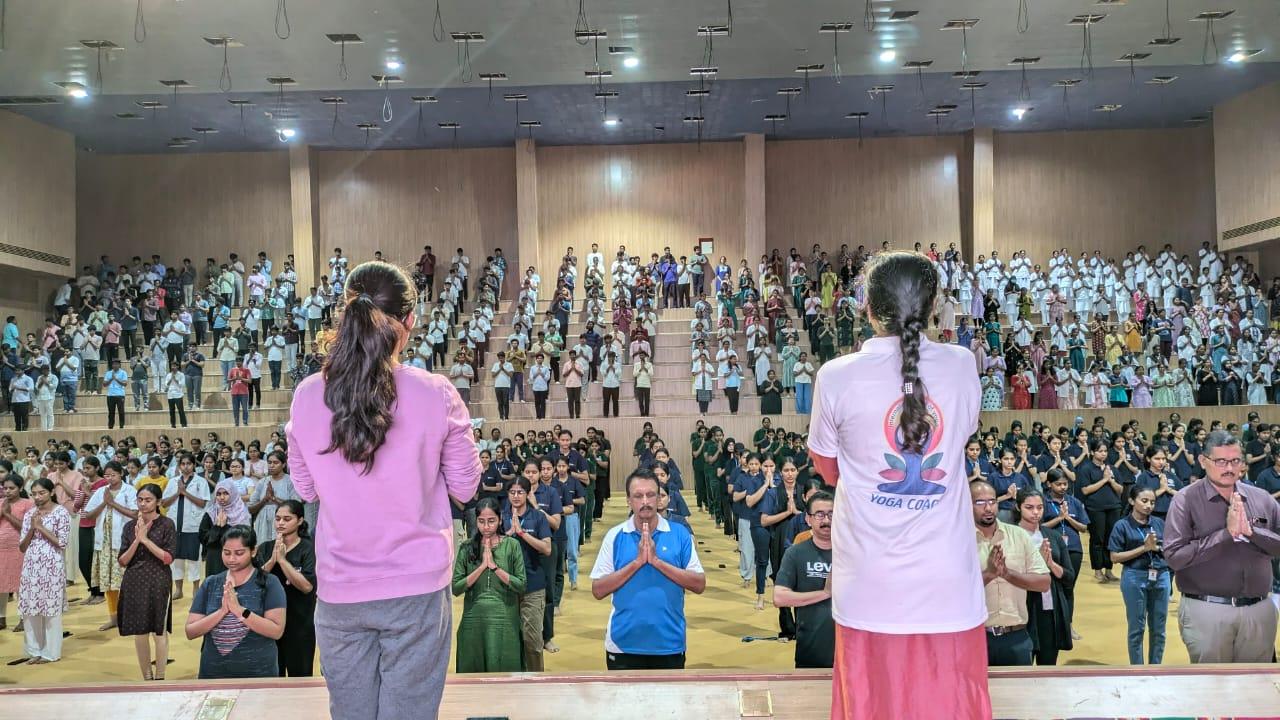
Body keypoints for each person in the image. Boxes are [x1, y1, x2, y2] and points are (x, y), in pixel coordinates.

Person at [286, 261, 481, 720]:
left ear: (344, 313)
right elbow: (467, 487)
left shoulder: (308, 394)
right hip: (416, 588)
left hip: (340, 590)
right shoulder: (436, 392)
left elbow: (306, 489)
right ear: (410, 321)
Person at [807, 252, 992, 719]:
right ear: (933, 309)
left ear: (867, 308)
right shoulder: (961, 365)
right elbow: (959, 439)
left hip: (870, 582)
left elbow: (829, 471)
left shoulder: (836, 377)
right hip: (946, 581)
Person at [1165, 430, 1280, 663]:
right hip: (1206, 610)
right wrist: (1226, 534)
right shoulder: (1185, 500)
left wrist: (1251, 531)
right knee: (1212, 690)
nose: (1229, 468)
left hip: (1259, 610)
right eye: (1220, 461)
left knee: (1256, 691)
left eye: (1235, 461)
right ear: (1203, 461)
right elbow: (1175, 557)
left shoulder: (1262, 498)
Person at [590, 470, 705, 669]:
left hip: (669, 643)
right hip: (623, 645)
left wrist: (657, 562)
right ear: (628, 500)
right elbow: (598, 590)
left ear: (660, 497)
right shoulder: (615, 535)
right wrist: (637, 563)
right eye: (638, 496)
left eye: (651, 494)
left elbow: (699, 584)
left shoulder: (679, 534)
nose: (645, 501)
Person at [185, 526, 287, 678]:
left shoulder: (269, 583)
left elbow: (276, 631)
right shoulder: (211, 583)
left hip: (258, 674)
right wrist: (222, 612)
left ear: (253, 551)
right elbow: (191, 631)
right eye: (226, 553)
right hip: (214, 673)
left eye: (239, 553)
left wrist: (239, 611)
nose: (231, 559)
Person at [973, 481, 1051, 666]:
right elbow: (954, 592)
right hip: (976, 639)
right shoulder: (959, 540)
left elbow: (1044, 582)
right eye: (979, 502)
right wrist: (990, 574)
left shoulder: (1019, 535)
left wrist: (1007, 574)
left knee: (1021, 694)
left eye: (992, 501)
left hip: (1017, 638)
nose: (988, 507)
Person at [451, 497, 526, 672]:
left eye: (491, 521)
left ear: (500, 520)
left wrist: (495, 568)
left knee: (504, 677)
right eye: (481, 521)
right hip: (473, 620)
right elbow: (455, 588)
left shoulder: (512, 546)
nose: (486, 527)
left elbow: (521, 585)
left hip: (505, 620)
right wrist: (482, 567)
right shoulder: (467, 547)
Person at [117, 483, 177, 680]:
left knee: (158, 630)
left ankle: (160, 677)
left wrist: (146, 540)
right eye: (140, 500)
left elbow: (168, 558)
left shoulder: (167, 524)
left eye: (148, 500)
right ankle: (147, 678)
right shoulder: (129, 527)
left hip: (158, 580)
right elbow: (123, 561)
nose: (143, 504)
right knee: (139, 632)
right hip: (133, 581)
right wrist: (136, 540)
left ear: (158, 502)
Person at [1108, 485, 1171, 665]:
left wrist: (1159, 548)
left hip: (1161, 576)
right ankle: (1137, 669)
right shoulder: (1122, 525)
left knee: (1159, 629)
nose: (1148, 506)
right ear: (1131, 501)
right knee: (1137, 628)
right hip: (1134, 576)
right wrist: (1144, 548)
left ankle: (1155, 668)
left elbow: (1169, 547)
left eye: (1152, 502)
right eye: (1144, 501)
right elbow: (1114, 556)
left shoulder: (1159, 523)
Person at [773, 490, 835, 669]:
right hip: (811, 650)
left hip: (850, 653)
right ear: (808, 519)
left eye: (831, 514)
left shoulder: (854, 553)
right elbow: (780, 597)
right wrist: (825, 593)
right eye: (819, 514)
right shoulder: (796, 553)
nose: (826, 520)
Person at [255, 499, 317, 677]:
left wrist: (283, 561)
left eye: (287, 519)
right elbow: (255, 582)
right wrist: (273, 560)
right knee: (273, 678)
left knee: (301, 679)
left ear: (299, 520)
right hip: (270, 625)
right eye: (278, 518)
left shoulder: (308, 549)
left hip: (299, 625)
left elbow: (306, 587)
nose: (280, 523)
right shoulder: (266, 548)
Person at [1014, 489, 1074, 666]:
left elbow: (1069, 577)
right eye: (1029, 507)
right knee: (1023, 665)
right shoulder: (1012, 535)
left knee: (1048, 664)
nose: (1035, 512)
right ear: (1019, 508)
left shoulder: (1053, 536)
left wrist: (1051, 565)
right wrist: (1039, 562)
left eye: (1039, 507)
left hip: (1050, 608)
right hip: (1023, 607)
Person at [502, 468, 552, 671]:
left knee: (532, 641)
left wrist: (522, 534)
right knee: (511, 640)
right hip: (507, 586)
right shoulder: (502, 516)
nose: (516, 496)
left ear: (527, 493)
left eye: (520, 492)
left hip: (533, 585)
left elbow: (547, 548)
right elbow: (489, 545)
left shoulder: (537, 517)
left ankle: (536, 682)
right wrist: (508, 533)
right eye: (512, 492)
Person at [18, 478, 71, 664]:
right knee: (30, 609)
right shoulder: (30, 514)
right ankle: (34, 650)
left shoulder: (61, 513)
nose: (38, 497)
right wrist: (33, 528)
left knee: (50, 610)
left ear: (51, 493)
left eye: (42, 493)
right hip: (31, 565)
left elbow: (62, 542)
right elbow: (22, 547)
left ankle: (51, 652)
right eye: (34, 493)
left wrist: (41, 527)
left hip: (52, 566)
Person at [83, 461, 139, 632]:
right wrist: (104, 503)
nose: (109, 478)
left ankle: (131, 616)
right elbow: (89, 515)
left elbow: (135, 514)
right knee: (108, 583)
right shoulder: (101, 491)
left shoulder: (130, 490)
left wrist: (113, 504)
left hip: (123, 543)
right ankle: (113, 617)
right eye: (106, 475)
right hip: (105, 543)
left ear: (120, 474)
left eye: (112, 475)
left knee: (125, 581)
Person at [161, 453, 209, 600]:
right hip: (175, 526)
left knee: (194, 559)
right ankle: (178, 590)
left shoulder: (201, 482)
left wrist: (185, 492)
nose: (186, 466)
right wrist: (178, 492)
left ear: (194, 465)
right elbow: (164, 503)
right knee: (176, 560)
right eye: (183, 464)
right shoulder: (173, 481)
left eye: (189, 463)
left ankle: (195, 589)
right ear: (179, 466)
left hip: (193, 527)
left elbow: (202, 503)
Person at [1, 476, 34, 631]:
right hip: (1, 549)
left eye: (11, 488)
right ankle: (1, 618)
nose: (7, 491)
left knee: (21, 585)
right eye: (5, 488)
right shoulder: (1, 503)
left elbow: (27, 528)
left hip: (19, 549)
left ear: (20, 488)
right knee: (1, 584)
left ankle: (23, 618)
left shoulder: (28, 504)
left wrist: (7, 514)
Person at [199, 478, 251, 577]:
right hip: (214, 558)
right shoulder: (211, 513)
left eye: (225, 493)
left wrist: (225, 527)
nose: (222, 497)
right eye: (218, 494)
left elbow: (245, 538)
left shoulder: (242, 514)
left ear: (233, 493)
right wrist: (217, 528)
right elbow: (203, 539)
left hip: (236, 557)